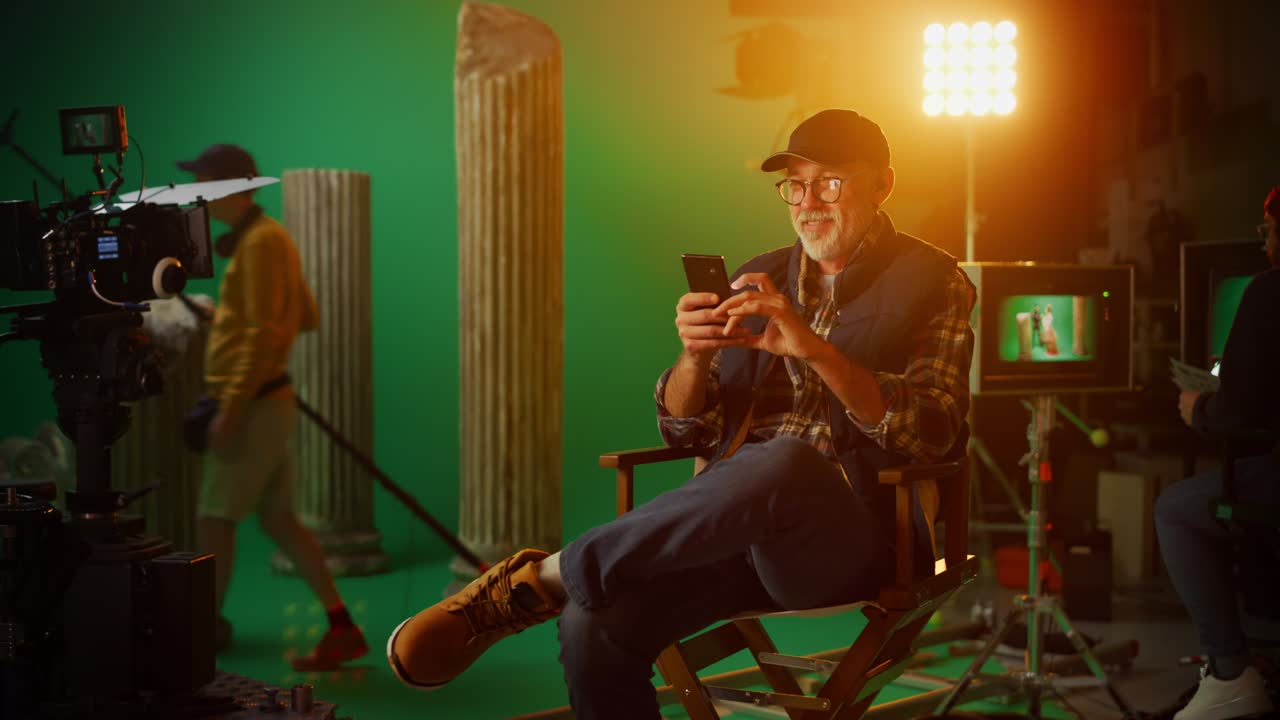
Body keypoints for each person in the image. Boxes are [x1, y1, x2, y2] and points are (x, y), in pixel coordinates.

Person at [386, 110, 975, 719]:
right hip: (729, 534)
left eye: (831, 182)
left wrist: (816, 351)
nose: (808, 203)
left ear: (883, 184)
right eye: (795, 185)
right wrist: (694, 358)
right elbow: (684, 430)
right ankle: (560, 589)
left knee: (786, 462)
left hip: (852, 539)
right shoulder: (763, 273)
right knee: (594, 620)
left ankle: (542, 582)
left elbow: (934, 429)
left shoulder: (935, 280)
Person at [179, 144, 368, 670]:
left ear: (232, 188)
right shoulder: (267, 239)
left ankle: (203, 629)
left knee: (214, 519)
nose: (199, 194)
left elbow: (266, 332)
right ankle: (341, 626)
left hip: (252, 405)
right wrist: (230, 320)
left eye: (206, 183)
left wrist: (232, 407)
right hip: (268, 399)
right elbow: (302, 314)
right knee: (281, 520)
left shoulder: (260, 245)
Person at [1158, 183, 1280, 720]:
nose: (1266, 244)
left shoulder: (1268, 292)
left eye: (1270, 230)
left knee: (1176, 510)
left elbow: (1242, 409)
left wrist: (1198, 410)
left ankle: (1230, 671)